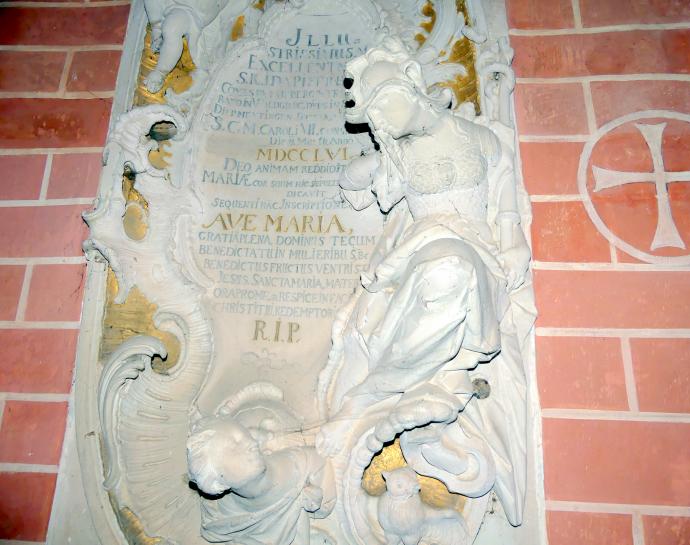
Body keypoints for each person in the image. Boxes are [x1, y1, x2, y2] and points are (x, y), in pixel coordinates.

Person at [316, 36, 533, 525]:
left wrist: (514, 240)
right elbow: (354, 184)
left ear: (413, 83)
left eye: (384, 103)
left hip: (479, 253)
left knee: (453, 270)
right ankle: (381, 395)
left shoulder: (481, 138)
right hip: (422, 253)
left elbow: (506, 199)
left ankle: (397, 395)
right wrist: (373, 160)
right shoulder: (398, 154)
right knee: (444, 270)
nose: (381, 120)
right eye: (372, 115)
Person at [188, 416, 335, 545]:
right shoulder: (218, 516)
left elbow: (326, 502)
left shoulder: (309, 465)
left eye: (246, 436)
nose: (251, 443)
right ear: (216, 481)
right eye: (234, 446)